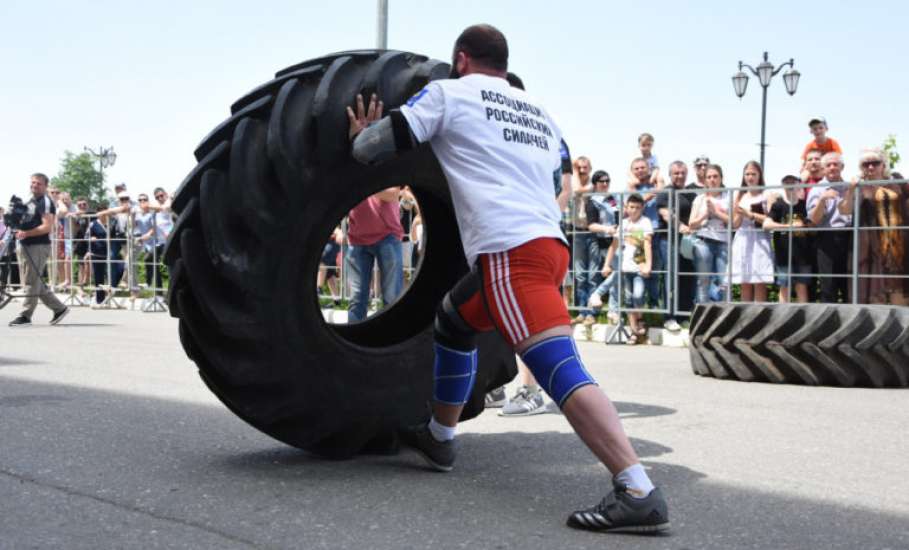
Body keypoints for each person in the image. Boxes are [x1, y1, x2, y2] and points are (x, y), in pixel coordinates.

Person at [347, 24, 669, 532]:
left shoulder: (450, 94)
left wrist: (361, 134)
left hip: (509, 253)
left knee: (558, 369)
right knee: (454, 320)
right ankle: (440, 438)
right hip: (548, 247)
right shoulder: (539, 114)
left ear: (461, 58)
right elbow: (554, 177)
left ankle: (636, 488)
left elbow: (373, 148)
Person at [839, 148, 908, 305]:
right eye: (866, 164)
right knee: (872, 291)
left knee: (898, 289)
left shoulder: (896, 181)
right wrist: (850, 190)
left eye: (875, 163)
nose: (870, 167)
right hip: (868, 246)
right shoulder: (857, 186)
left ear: (883, 165)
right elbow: (844, 210)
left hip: (895, 246)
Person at [8, 173, 69, 326]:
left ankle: (25, 315)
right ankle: (59, 309)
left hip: (38, 245)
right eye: (33, 182)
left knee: (31, 281)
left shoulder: (45, 202)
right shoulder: (30, 200)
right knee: (35, 281)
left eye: (38, 184)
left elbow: (47, 226)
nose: (34, 185)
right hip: (26, 244)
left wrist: (26, 233)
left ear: (45, 186)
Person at [345, 188, 405, 322]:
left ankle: (392, 340)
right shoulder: (351, 169)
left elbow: (393, 194)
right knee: (356, 299)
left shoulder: (384, 167)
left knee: (392, 298)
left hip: (387, 236)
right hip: (356, 238)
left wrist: (363, 183)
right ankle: (355, 338)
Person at [600, 194, 653, 344]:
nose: (634, 210)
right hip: (625, 267)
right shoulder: (623, 224)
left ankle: (641, 319)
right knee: (629, 299)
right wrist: (606, 264)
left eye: (637, 207)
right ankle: (634, 331)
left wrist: (648, 264)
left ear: (642, 208)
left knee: (638, 295)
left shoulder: (645, 222)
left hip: (639, 267)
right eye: (631, 207)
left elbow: (647, 244)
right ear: (626, 208)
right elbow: (613, 246)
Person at [807, 152, 852, 303]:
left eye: (836, 164)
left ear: (842, 167)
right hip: (827, 238)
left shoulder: (850, 187)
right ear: (823, 169)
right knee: (828, 286)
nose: (832, 167)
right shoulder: (817, 190)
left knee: (849, 286)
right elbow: (813, 221)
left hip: (849, 237)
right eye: (828, 165)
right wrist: (821, 200)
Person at [656, 160, 696, 330]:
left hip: (687, 241)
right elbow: (666, 214)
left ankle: (684, 315)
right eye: (676, 173)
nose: (680, 176)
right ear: (670, 175)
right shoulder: (665, 193)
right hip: (669, 241)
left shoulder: (690, 193)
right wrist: (680, 227)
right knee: (670, 280)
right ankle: (669, 317)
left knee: (687, 278)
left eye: (682, 173)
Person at [763, 175, 811, 303]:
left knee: (802, 287)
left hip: (803, 254)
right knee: (784, 287)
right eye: (786, 182)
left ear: (798, 184)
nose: (790, 185)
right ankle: (781, 318)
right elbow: (766, 224)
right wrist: (789, 226)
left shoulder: (804, 205)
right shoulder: (778, 206)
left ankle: (804, 319)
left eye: (792, 182)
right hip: (783, 254)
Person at [730, 161, 774, 302]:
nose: (750, 177)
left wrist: (751, 215)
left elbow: (770, 219)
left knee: (759, 280)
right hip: (742, 238)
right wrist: (738, 213)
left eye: (753, 174)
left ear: (759, 175)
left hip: (760, 238)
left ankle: (759, 317)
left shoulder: (766, 194)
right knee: (744, 280)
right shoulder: (739, 195)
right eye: (747, 174)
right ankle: (744, 316)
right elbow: (735, 224)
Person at [688, 165, 731, 304]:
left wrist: (717, 213)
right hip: (703, 242)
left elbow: (734, 223)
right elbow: (691, 224)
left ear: (721, 178)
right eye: (709, 177)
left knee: (724, 281)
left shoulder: (728, 197)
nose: (712, 180)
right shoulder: (699, 199)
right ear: (705, 180)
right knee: (703, 280)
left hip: (723, 242)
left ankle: (724, 318)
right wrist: (705, 215)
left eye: (715, 176)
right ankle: (703, 317)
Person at [585, 171, 619, 324]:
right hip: (598, 242)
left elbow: (619, 215)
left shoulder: (613, 199)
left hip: (614, 242)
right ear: (595, 184)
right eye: (601, 181)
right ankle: (592, 313)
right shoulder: (592, 201)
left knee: (615, 276)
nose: (605, 184)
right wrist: (607, 229)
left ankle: (613, 312)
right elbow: (591, 225)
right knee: (594, 277)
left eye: (607, 181)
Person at [570, 156, 597, 324]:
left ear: (590, 168)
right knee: (580, 274)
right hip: (578, 232)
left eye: (585, 167)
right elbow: (575, 188)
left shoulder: (592, 185)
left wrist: (573, 169)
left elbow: (579, 189)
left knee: (592, 274)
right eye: (579, 168)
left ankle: (592, 313)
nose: (581, 170)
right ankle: (582, 311)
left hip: (592, 232)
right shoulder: (574, 184)